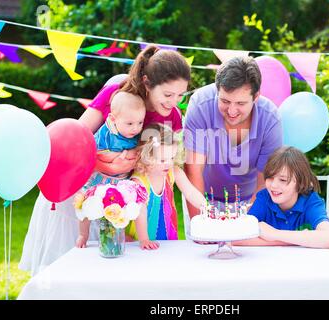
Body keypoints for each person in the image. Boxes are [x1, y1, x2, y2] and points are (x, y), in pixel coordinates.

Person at [19, 45, 191, 275]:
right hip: (85, 185)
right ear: (148, 82)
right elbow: (76, 140)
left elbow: (164, 162)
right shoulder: (117, 93)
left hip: (118, 198)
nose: (173, 102)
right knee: (71, 263)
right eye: (168, 95)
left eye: (181, 95)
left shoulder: (172, 117)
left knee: (109, 268)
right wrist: (105, 164)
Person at [183, 56, 283, 233]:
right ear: (217, 91)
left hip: (249, 201)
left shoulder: (270, 118)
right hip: (202, 198)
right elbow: (193, 169)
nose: (231, 111)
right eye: (225, 101)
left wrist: (247, 224)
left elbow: (265, 182)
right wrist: (201, 225)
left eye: (241, 103)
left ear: (256, 97)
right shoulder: (200, 105)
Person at [75, 91, 146, 249]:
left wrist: (127, 155)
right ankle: (83, 234)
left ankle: (134, 238)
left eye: (140, 123)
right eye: (130, 124)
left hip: (122, 181)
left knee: (125, 207)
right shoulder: (105, 134)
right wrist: (117, 157)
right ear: (113, 119)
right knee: (85, 204)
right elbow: (95, 153)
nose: (136, 128)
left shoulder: (135, 131)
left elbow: (139, 151)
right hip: (100, 178)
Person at [233, 146, 329, 249]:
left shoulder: (311, 201)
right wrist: (295, 241)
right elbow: (238, 237)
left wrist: (274, 234)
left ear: (300, 183)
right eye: (270, 177)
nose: (273, 185)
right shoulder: (264, 198)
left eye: (282, 180)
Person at [127, 123, 206, 245]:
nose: (168, 164)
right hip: (140, 239)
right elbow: (140, 212)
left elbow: (190, 192)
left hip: (168, 234)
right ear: (146, 157)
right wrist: (144, 240)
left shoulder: (173, 172)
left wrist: (207, 208)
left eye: (172, 158)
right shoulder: (138, 182)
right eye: (163, 160)